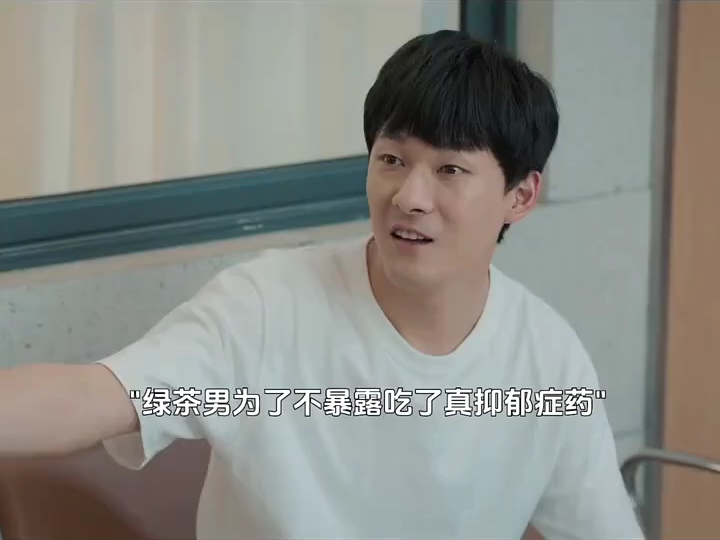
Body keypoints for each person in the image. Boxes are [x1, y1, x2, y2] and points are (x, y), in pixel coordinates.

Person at [0, 30, 643, 539]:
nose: (410, 197)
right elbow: (95, 395)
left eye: (450, 169)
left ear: (520, 196)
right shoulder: (266, 308)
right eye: (392, 160)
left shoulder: (547, 362)